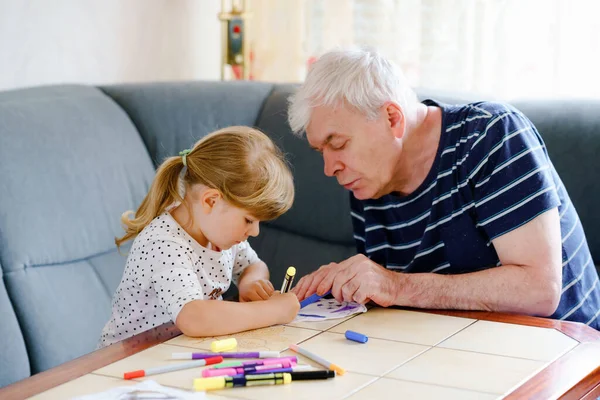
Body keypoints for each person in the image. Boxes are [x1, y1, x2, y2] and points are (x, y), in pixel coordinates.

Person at [288, 47, 600, 329]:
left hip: (565, 358)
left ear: (392, 118)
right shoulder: (369, 183)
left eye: (338, 144)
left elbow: (540, 289)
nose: (330, 168)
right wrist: (350, 286)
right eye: (321, 152)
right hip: (459, 353)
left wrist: (395, 285)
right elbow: (395, 301)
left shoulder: (490, 135)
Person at [98, 126, 300, 348]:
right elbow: (194, 317)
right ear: (211, 201)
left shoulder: (218, 234)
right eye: (249, 220)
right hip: (125, 361)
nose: (255, 232)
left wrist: (250, 282)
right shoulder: (164, 244)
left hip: (177, 350)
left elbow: (253, 265)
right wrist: (272, 311)